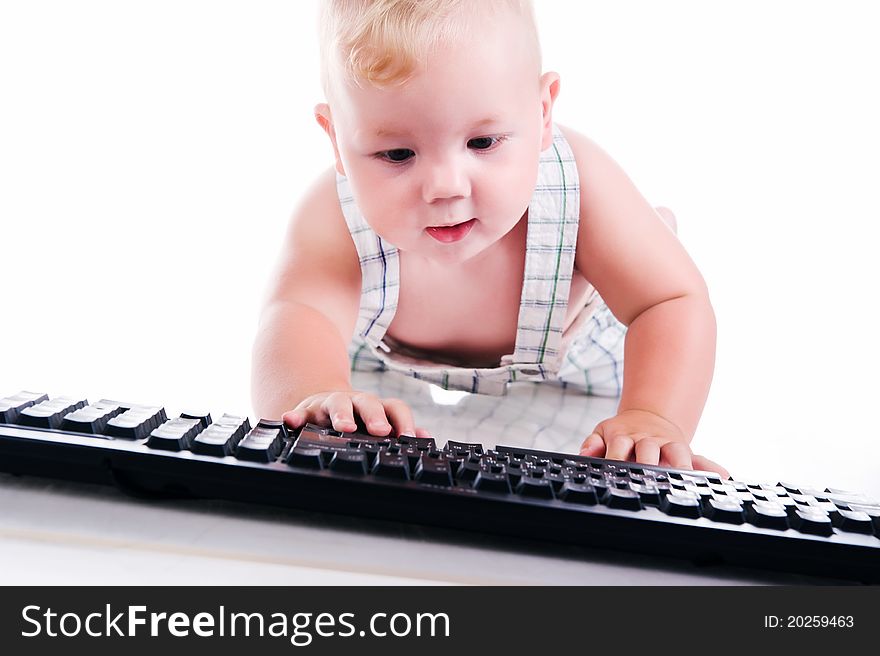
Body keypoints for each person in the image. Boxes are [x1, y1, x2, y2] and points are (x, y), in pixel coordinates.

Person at [251, 0, 727, 476]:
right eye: (397, 153)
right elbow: (297, 315)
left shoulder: (579, 188)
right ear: (336, 137)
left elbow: (669, 299)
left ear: (542, 114)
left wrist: (653, 415)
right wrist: (312, 396)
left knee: (592, 487)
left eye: (482, 143)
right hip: (384, 390)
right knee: (356, 468)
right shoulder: (334, 212)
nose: (445, 186)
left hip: (577, 389)